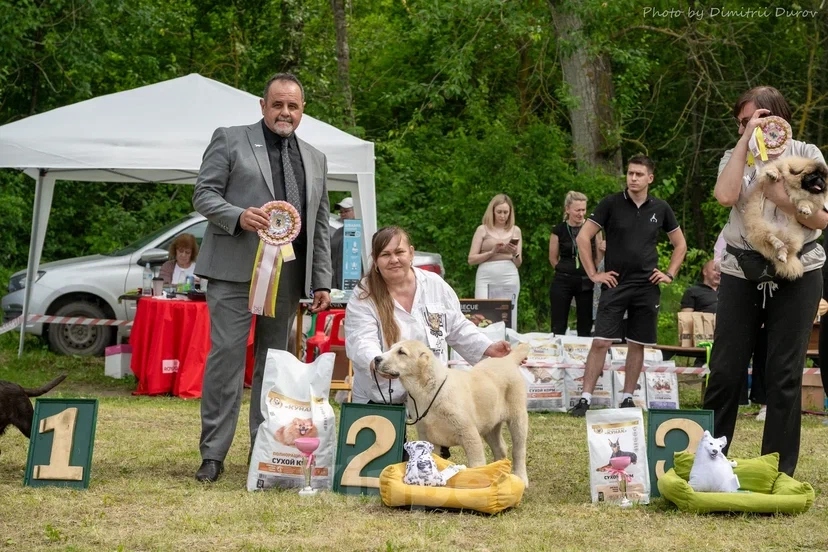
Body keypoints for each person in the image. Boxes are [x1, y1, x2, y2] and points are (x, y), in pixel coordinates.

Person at [191, 73, 332, 483]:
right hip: (234, 273)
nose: (285, 112)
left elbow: (318, 226)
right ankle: (213, 454)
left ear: (302, 110)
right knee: (227, 360)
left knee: (274, 367)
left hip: (287, 278)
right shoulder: (230, 139)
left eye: (293, 106)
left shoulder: (316, 158)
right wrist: (238, 216)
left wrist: (320, 280)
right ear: (263, 105)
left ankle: (265, 449)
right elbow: (203, 193)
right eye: (278, 104)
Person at [704, 86, 827, 476]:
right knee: (725, 370)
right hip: (742, 271)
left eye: (752, 119)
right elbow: (725, 196)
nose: (746, 126)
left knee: (784, 373)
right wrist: (745, 143)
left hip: (798, 270)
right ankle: (710, 462)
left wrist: (779, 193)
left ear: (776, 118)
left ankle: (776, 470)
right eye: (741, 122)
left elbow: (821, 219)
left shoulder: (808, 156)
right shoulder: (735, 155)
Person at [569, 155, 687, 416]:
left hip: (647, 285)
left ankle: (626, 398)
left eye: (638, 174)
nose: (633, 178)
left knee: (637, 343)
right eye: (630, 173)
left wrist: (669, 273)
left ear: (650, 178)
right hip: (615, 282)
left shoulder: (661, 208)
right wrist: (593, 274)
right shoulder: (611, 203)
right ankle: (585, 399)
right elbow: (584, 237)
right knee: (600, 341)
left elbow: (681, 244)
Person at [345, 226, 512, 408]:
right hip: (383, 397)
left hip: (432, 395)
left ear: (411, 253)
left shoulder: (434, 284)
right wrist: (379, 363)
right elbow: (361, 339)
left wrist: (488, 347)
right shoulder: (364, 294)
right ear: (375, 260)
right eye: (385, 255)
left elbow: (457, 326)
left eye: (399, 252)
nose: (394, 260)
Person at [549, 191, 605, 336]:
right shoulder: (558, 230)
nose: (581, 214)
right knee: (558, 324)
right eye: (577, 210)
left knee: (585, 324)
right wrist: (563, 270)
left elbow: (598, 258)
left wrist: (597, 274)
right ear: (567, 209)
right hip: (563, 279)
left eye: (583, 210)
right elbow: (553, 257)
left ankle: (585, 355)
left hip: (586, 280)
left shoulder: (594, 229)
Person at [468, 194, 522, 329]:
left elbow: (518, 262)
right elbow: (471, 259)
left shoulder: (515, 230)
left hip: (509, 274)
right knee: (482, 313)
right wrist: (491, 252)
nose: (502, 216)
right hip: (486, 274)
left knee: (508, 315)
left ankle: (508, 344)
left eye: (506, 212)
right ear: (492, 211)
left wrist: (514, 252)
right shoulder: (482, 229)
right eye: (499, 212)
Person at [330, 197, 356, 290]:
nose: (343, 214)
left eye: (346, 211)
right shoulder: (338, 232)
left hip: (356, 285)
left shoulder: (364, 232)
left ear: (356, 210)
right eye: (341, 212)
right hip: (335, 285)